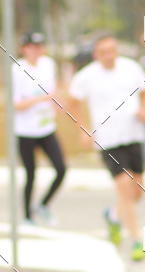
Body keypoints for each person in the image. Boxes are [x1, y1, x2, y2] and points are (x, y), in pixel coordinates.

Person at [68, 34, 145, 261]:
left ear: (117, 50)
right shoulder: (86, 76)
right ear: (96, 54)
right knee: (124, 187)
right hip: (107, 140)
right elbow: (72, 102)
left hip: (133, 134)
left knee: (138, 191)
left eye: (112, 50)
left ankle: (114, 216)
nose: (108, 56)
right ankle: (136, 239)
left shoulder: (131, 68)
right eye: (103, 52)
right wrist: (83, 129)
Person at [12, 32, 66, 226]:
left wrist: (57, 104)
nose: (36, 51)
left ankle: (43, 205)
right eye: (31, 47)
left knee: (61, 169)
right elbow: (16, 104)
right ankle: (27, 216)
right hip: (26, 131)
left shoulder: (48, 64)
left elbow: (54, 91)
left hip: (46, 128)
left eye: (39, 47)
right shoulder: (17, 70)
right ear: (24, 49)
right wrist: (42, 99)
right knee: (30, 174)